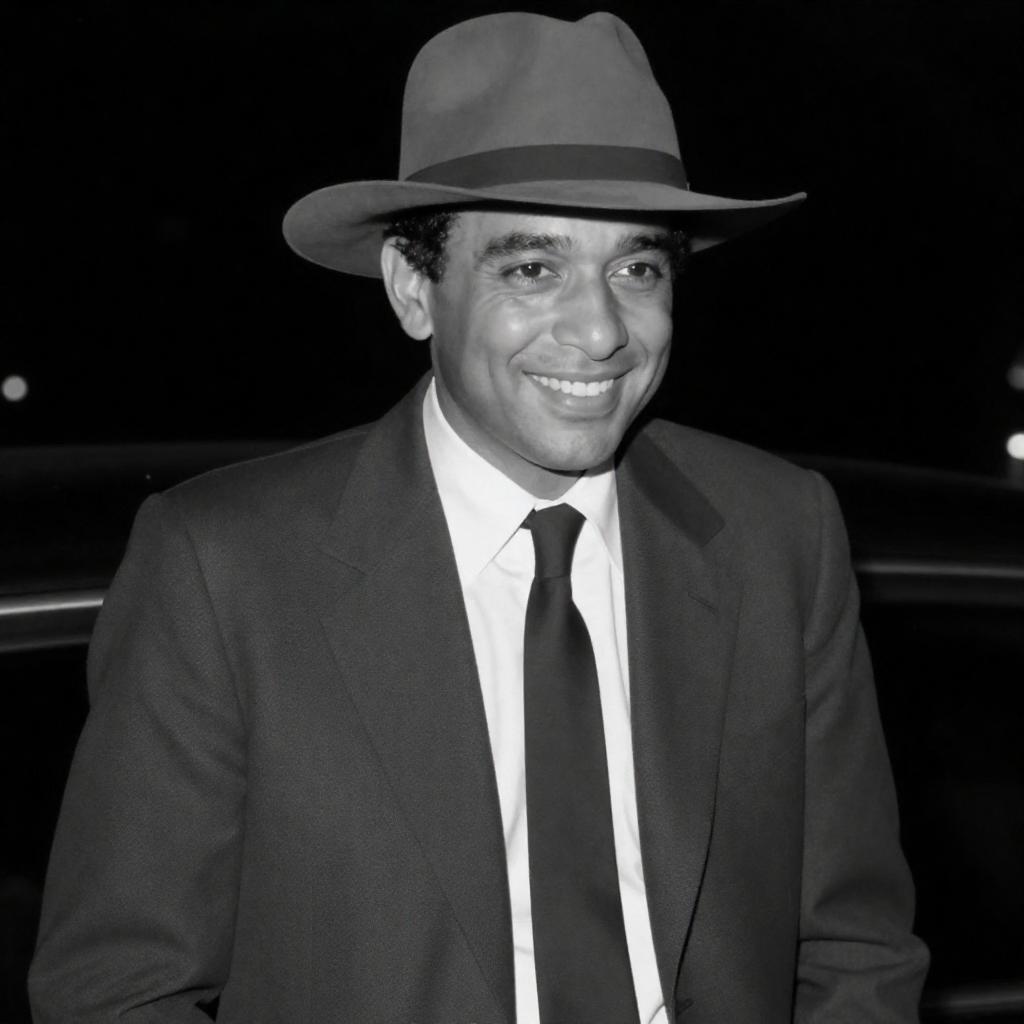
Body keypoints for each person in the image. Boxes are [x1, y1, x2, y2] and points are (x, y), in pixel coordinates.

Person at [29, 12, 929, 1023]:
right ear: (413, 289)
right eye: (532, 269)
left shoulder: (778, 534)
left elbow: (856, 946)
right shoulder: (226, 567)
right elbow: (117, 990)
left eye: (636, 268)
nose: (600, 330)